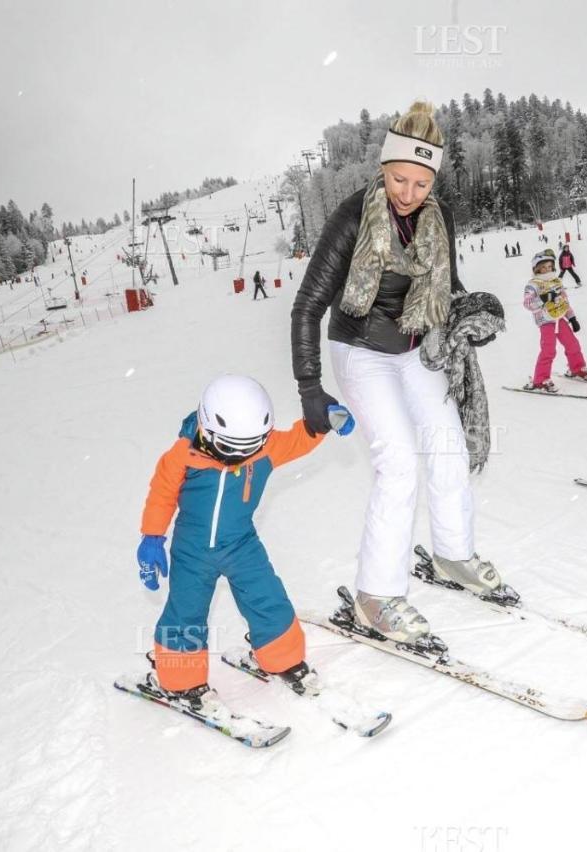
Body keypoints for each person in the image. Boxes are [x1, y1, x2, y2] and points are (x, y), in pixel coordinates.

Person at [290, 100, 503, 643]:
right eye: (399, 179)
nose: (408, 193)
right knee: (400, 462)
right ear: (382, 169)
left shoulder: (440, 219)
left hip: (415, 347)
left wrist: (471, 309)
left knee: (448, 441)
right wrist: (309, 387)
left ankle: (453, 553)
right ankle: (376, 595)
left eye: (421, 182)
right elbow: (307, 305)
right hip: (360, 347)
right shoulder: (351, 217)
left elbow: (445, 285)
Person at [135, 374, 351, 707]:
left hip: (241, 545)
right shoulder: (182, 455)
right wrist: (152, 538)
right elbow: (161, 494)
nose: (239, 456)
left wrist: (323, 423)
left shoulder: (265, 449)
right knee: (185, 613)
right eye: (229, 447)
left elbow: (299, 438)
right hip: (192, 551)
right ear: (207, 429)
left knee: (267, 598)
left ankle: (282, 659)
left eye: (249, 447)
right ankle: (180, 681)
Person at [523, 249, 587, 391]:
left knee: (573, 343)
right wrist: (543, 299)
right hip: (545, 321)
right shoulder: (533, 284)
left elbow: (563, 301)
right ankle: (540, 380)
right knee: (549, 350)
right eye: (543, 267)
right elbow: (527, 303)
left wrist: (572, 318)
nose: (547, 269)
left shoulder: (556, 281)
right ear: (537, 268)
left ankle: (577, 368)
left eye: (549, 266)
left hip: (559, 319)